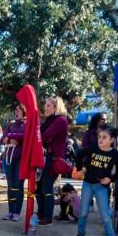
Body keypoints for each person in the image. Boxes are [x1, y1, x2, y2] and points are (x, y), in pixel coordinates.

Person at [73, 126, 118, 236]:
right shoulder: (93, 147)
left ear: (112, 140)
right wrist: (81, 169)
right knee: (83, 211)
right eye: (99, 137)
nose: (100, 139)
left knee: (105, 214)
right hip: (88, 184)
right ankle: (80, 234)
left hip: (102, 187)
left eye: (104, 137)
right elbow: (79, 154)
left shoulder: (114, 154)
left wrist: (110, 179)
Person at [38, 96, 70, 225]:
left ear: (56, 108)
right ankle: (41, 213)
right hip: (45, 158)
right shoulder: (49, 121)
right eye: (46, 105)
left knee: (46, 187)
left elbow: (44, 136)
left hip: (53, 159)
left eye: (48, 105)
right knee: (39, 187)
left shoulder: (60, 120)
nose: (45, 108)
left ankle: (48, 216)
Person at [2, 104, 26, 221]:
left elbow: (26, 136)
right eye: (15, 110)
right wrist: (9, 138)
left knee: (18, 185)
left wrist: (12, 136)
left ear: (24, 111)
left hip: (20, 159)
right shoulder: (11, 124)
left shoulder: (27, 124)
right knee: (10, 185)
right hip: (8, 158)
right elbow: (3, 139)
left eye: (19, 110)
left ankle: (17, 212)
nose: (16, 112)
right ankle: (10, 211)